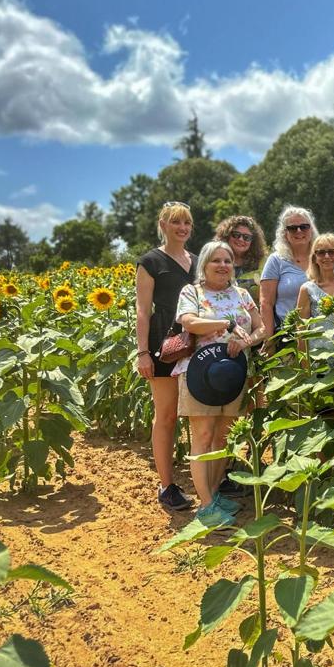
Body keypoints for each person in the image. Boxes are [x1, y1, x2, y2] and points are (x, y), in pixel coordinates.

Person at [175, 240, 265, 526]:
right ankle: (205, 506)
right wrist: (224, 325)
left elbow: (261, 326)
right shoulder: (193, 292)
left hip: (234, 374)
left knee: (224, 437)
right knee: (202, 437)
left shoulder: (241, 293)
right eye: (216, 260)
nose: (223, 265)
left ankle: (213, 494)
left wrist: (247, 340)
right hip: (199, 373)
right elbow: (188, 322)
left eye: (227, 260)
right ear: (204, 264)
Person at [136, 201, 197, 513]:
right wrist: (143, 352)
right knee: (167, 415)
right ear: (163, 225)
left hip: (198, 343)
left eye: (186, 223)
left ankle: (213, 478)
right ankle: (166, 486)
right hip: (165, 343)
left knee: (201, 415)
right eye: (176, 223)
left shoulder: (197, 262)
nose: (182, 228)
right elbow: (143, 311)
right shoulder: (150, 261)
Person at [261, 206, 316, 345]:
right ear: (284, 233)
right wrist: (269, 341)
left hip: (322, 333)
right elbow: (266, 303)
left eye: (304, 227)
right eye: (293, 228)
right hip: (287, 335)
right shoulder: (276, 260)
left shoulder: (322, 257)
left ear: (311, 229)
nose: (299, 231)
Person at [297, 233, 334, 355]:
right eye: (321, 252)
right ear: (314, 258)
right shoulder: (307, 289)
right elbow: (301, 330)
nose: (327, 256)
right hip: (317, 357)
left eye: (332, 252)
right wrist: (305, 366)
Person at [214, 215, 267, 305]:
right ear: (227, 236)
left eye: (246, 237)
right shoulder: (214, 260)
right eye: (236, 235)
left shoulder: (262, 263)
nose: (241, 239)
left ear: (253, 241)